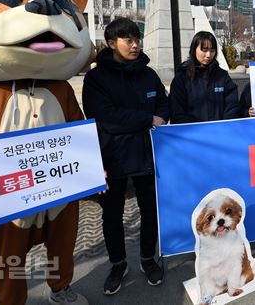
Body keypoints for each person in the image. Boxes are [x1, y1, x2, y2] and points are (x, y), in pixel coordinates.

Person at [82, 18, 170, 295]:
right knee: (112, 214)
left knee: (150, 210)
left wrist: (161, 116)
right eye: (128, 40)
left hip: (146, 154)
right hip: (112, 158)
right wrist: (147, 118)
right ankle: (118, 264)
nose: (135, 45)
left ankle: (147, 258)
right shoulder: (96, 78)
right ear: (111, 43)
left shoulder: (148, 74)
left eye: (137, 39)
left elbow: (163, 103)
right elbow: (106, 118)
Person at [170, 31, 240, 123]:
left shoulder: (223, 76)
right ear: (194, 49)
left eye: (212, 51)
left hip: (219, 132)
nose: (208, 55)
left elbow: (232, 106)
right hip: (191, 133)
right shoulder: (182, 78)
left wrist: (225, 125)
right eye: (204, 50)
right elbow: (177, 111)